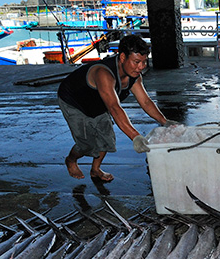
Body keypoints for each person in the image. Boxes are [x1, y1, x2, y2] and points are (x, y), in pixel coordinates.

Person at [57, 34, 174, 182]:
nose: (141, 67)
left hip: (99, 103)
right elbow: (114, 107)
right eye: (136, 62)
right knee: (86, 145)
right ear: (123, 57)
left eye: (144, 62)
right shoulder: (104, 73)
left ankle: (95, 169)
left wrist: (165, 121)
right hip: (75, 102)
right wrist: (135, 137)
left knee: (107, 140)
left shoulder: (135, 75)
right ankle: (71, 160)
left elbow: (145, 102)